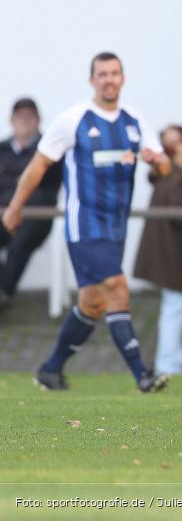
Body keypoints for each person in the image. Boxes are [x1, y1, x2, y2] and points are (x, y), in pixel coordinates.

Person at [1, 52, 172, 392]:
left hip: (116, 227)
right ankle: (143, 375)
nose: (109, 79)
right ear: (92, 80)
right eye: (102, 74)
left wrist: (156, 161)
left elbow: (165, 168)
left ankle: (50, 370)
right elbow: (37, 166)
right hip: (85, 226)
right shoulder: (73, 119)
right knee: (118, 288)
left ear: (122, 79)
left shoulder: (135, 120)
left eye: (114, 73)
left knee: (92, 303)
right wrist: (15, 207)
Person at [134, 126, 182, 375]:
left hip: (170, 256)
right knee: (175, 309)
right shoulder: (175, 178)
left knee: (174, 309)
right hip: (176, 258)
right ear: (180, 146)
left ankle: (169, 364)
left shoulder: (170, 176)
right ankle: (168, 365)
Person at [0, 98, 63, 305]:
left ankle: (4, 293)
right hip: (4, 214)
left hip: (36, 217)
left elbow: (46, 183)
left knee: (20, 243)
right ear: (12, 120)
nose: (25, 121)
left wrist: (15, 180)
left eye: (30, 116)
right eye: (20, 117)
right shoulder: (3, 148)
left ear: (38, 120)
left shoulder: (49, 149)